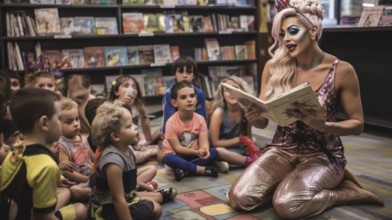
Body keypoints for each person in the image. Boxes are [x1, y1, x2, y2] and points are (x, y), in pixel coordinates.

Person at [227, 0, 384, 219]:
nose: (286, 39)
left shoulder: (342, 70)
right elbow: (263, 122)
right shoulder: (274, 67)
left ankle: (346, 192)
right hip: (281, 149)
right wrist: (253, 117)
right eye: (282, 34)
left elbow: (357, 125)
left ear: (312, 31)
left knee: (287, 206)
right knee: (238, 198)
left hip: (323, 154)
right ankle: (290, 181)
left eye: (292, 31)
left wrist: (325, 125)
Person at [0, 88, 86, 220]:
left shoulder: (15, 150)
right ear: (44, 123)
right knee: (81, 209)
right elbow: (44, 217)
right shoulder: (46, 166)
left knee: (73, 201)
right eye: (59, 118)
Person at [90, 102, 176, 219]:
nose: (135, 126)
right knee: (154, 210)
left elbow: (129, 183)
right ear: (116, 136)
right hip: (107, 208)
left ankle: (154, 197)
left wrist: (145, 188)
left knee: (155, 208)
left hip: (127, 196)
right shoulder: (113, 162)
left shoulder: (126, 149)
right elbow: (117, 199)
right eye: (129, 125)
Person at [161, 81, 219, 181]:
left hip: (195, 154)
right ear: (174, 102)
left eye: (192, 96)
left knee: (214, 152)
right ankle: (201, 170)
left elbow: (204, 143)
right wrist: (197, 153)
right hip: (179, 154)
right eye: (183, 97)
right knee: (167, 158)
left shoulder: (200, 119)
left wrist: (204, 151)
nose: (189, 100)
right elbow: (177, 148)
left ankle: (184, 170)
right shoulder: (170, 122)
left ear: (196, 99)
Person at [209, 75, 261, 172]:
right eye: (227, 90)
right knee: (219, 151)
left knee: (254, 141)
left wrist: (250, 144)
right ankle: (248, 162)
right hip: (224, 149)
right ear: (222, 94)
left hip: (240, 148)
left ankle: (231, 162)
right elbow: (215, 143)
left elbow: (248, 136)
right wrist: (237, 140)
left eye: (235, 88)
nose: (231, 93)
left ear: (242, 92)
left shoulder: (246, 111)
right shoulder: (218, 113)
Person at [109, 75, 160, 159]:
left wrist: (148, 141)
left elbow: (145, 125)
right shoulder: (113, 106)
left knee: (159, 144)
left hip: (133, 141)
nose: (131, 89)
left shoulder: (137, 107)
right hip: (120, 144)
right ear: (116, 92)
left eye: (134, 87)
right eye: (126, 86)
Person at [162, 56, 206, 135]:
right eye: (181, 72)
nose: (185, 75)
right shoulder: (169, 93)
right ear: (174, 74)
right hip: (174, 134)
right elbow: (168, 119)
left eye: (189, 72)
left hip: (195, 133)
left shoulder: (199, 93)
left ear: (194, 75)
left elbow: (201, 120)